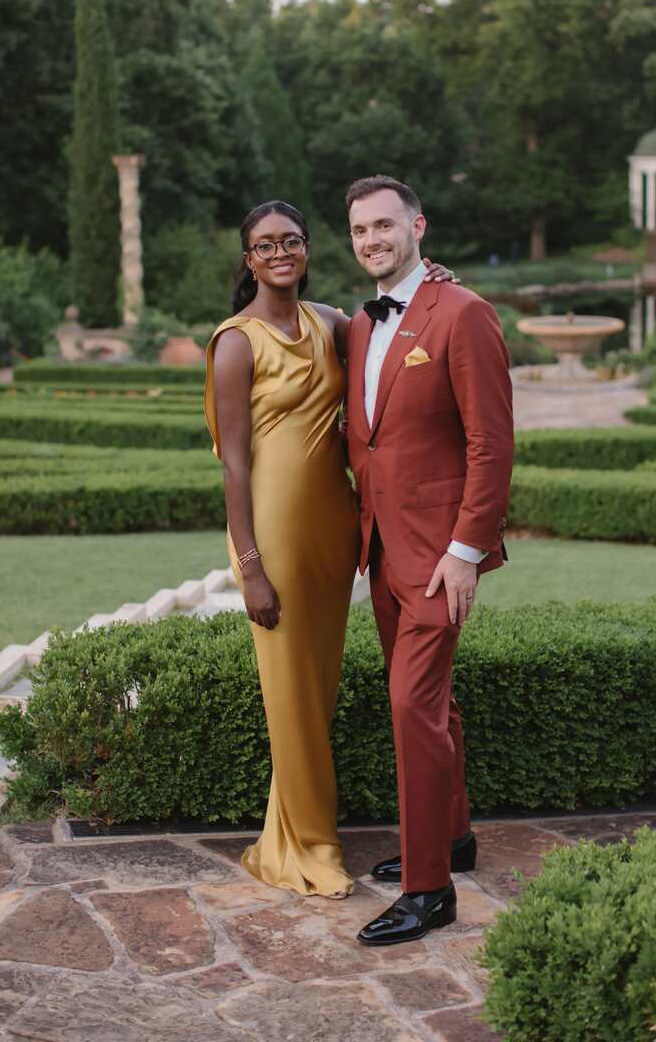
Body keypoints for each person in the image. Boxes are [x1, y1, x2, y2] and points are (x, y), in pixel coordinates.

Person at [203, 200, 456, 898]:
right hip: (275, 535)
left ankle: (297, 824)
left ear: (308, 248)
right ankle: (305, 844)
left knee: (316, 690)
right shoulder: (235, 341)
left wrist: (435, 282)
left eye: (291, 241)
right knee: (288, 689)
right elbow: (234, 464)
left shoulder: (333, 324)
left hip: (335, 529)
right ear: (248, 259)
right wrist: (248, 566)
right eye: (264, 245)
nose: (279, 253)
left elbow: (399, 328)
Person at [343, 175, 514, 946]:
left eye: (384, 225)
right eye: (359, 231)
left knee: (413, 706)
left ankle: (428, 890)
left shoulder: (464, 313)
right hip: (381, 550)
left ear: (416, 225)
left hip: (441, 557)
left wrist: (466, 551)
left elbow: (491, 443)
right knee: (432, 705)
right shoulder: (357, 324)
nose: (372, 240)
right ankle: (452, 840)